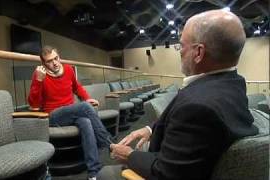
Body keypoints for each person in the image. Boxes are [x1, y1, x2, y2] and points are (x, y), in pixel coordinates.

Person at [104, 9, 258, 180]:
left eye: (181, 45)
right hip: (195, 163)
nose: (180, 51)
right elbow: (192, 133)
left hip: (170, 169)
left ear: (198, 53)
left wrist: (129, 155)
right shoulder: (234, 83)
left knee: (105, 174)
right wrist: (150, 129)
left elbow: (165, 173)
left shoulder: (197, 108)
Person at [28, 45, 112, 180]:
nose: (54, 62)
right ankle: (107, 144)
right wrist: (38, 81)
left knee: (86, 121)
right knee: (84, 107)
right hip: (53, 115)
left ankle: (93, 172)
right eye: (49, 61)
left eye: (56, 58)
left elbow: (77, 87)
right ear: (43, 63)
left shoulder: (67, 69)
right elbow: (33, 104)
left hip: (72, 112)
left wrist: (87, 98)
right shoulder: (39, 75)